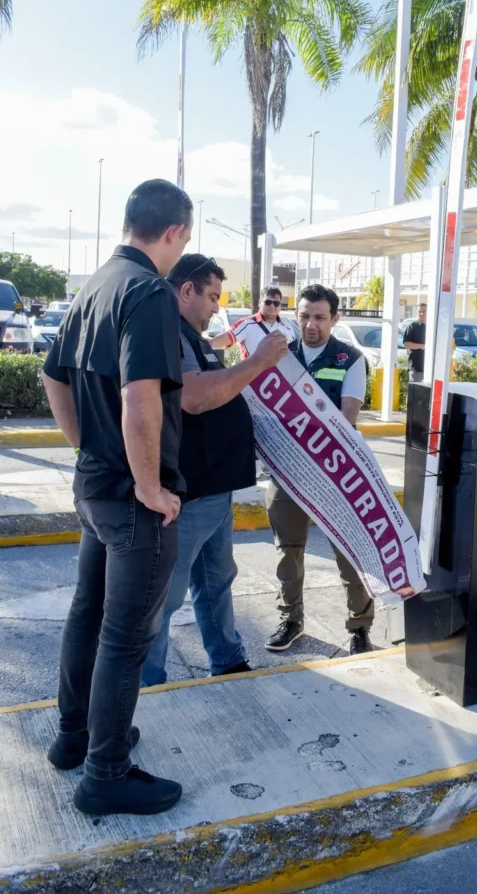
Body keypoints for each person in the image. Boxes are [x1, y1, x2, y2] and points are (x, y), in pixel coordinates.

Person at [42, 179, 192, 817]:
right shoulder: (149, 291)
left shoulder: (96, 284)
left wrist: (87, 446)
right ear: (175, 233)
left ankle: (74, 738)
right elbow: (140, 400)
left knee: (87, 614)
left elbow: (53, 375)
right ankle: (106, 771)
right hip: (133, 499)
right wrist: (151, 485)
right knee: (124, 636)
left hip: (95, 484)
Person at [142, 253, 288, 685]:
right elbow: (194, 397)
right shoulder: (170, 333)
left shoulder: (192, 334)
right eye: (211, 296)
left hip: (213, 488)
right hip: (186, 493)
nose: (215, 307)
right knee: (165, 598)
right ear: (185, 290)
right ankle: (147, 682)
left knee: (217, 581)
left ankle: (227, 658)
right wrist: (258, 361)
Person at [265, 283, 374, 656]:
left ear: (335, 319)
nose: (311, 325)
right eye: (305, 316)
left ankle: (359, 626)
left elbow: (347, 418)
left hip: (334, 473)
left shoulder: (350, 359)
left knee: (348, 553)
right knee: (288, 551)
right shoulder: (279, 355)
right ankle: (291, 621)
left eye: (320, 317)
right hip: (286, 472)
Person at [211, 285, 295, 358]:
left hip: (278, 376)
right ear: (259, 302)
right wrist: (207, 343)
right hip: (252, 376)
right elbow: (228, 337)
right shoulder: (246, 324)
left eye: (276, 303)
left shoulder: (287, 328)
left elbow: (293, 355)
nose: (272, 306)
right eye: (268, 302)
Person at [403, 303, 427, 383]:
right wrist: (422, 346)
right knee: (415, 392)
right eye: (419, 311)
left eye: (424, 311)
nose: (422, 313)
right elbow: (406, 344)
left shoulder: (433, 326)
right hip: (416, 367)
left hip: (430, 367)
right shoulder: (412, 326)